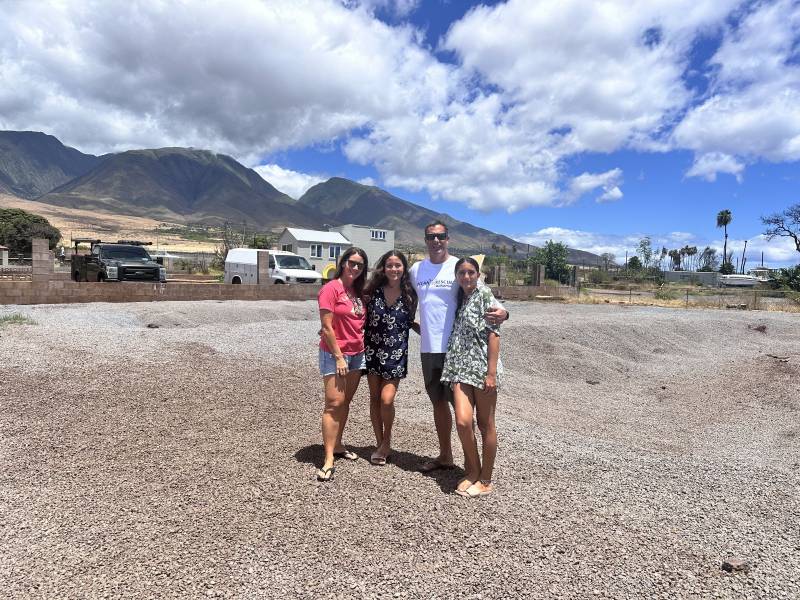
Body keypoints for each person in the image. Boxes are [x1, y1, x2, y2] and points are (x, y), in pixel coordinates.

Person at [409, 220, 507, 475]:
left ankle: (473, 468)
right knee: (438, 403)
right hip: (429, 349)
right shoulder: (416, 269)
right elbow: (403, 295)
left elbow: (488, 300)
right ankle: (445, 455)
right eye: (431, 236)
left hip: (457, 354)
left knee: (464, 415)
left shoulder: (458, 266)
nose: (436, 241)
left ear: (448, 239)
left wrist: (505, 313)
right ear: (425, 239)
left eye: (441, 236)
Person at [440, 257, 502, 497]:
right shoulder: (461, 298)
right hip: (460, 369)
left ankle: (486, 479)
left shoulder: (485, 296)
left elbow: (494, 335)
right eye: (462, 273)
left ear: (478, 274)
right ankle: (473, 471)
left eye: (470, 272)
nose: (466, 277)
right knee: (464, 422)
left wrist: (491, 373)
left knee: (486, 424)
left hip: (482, 370)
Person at [316, 247, 369, 482]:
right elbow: (326, 327)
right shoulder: (331, 288)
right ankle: (328, 457)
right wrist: (338, 356)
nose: (355, 268)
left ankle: (337, 444)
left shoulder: (357, 291)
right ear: (343, 262)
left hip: (357, 353)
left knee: (345, 401)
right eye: (352, 263)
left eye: (360, 264)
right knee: (333, 403)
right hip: (336, 354)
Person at [363, 250, 418, 466]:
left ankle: (387, 440)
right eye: (389, 265)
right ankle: (381, 443)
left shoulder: (410, 294)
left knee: (387, 399)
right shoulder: (372, 291)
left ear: (404, 268)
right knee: (374, 398)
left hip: (396, 354)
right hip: (372, 351)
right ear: (383, 268)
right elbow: (355, 313)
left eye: (398, 265)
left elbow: (420, 319)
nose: (394, 269)